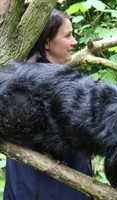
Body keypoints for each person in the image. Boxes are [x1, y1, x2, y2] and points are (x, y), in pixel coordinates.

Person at [4, 9, 93, 200]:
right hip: (44, 190)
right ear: (46, 43)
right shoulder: (33, 86)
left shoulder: (19, 77)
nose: (74, 42)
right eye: (68, 35)